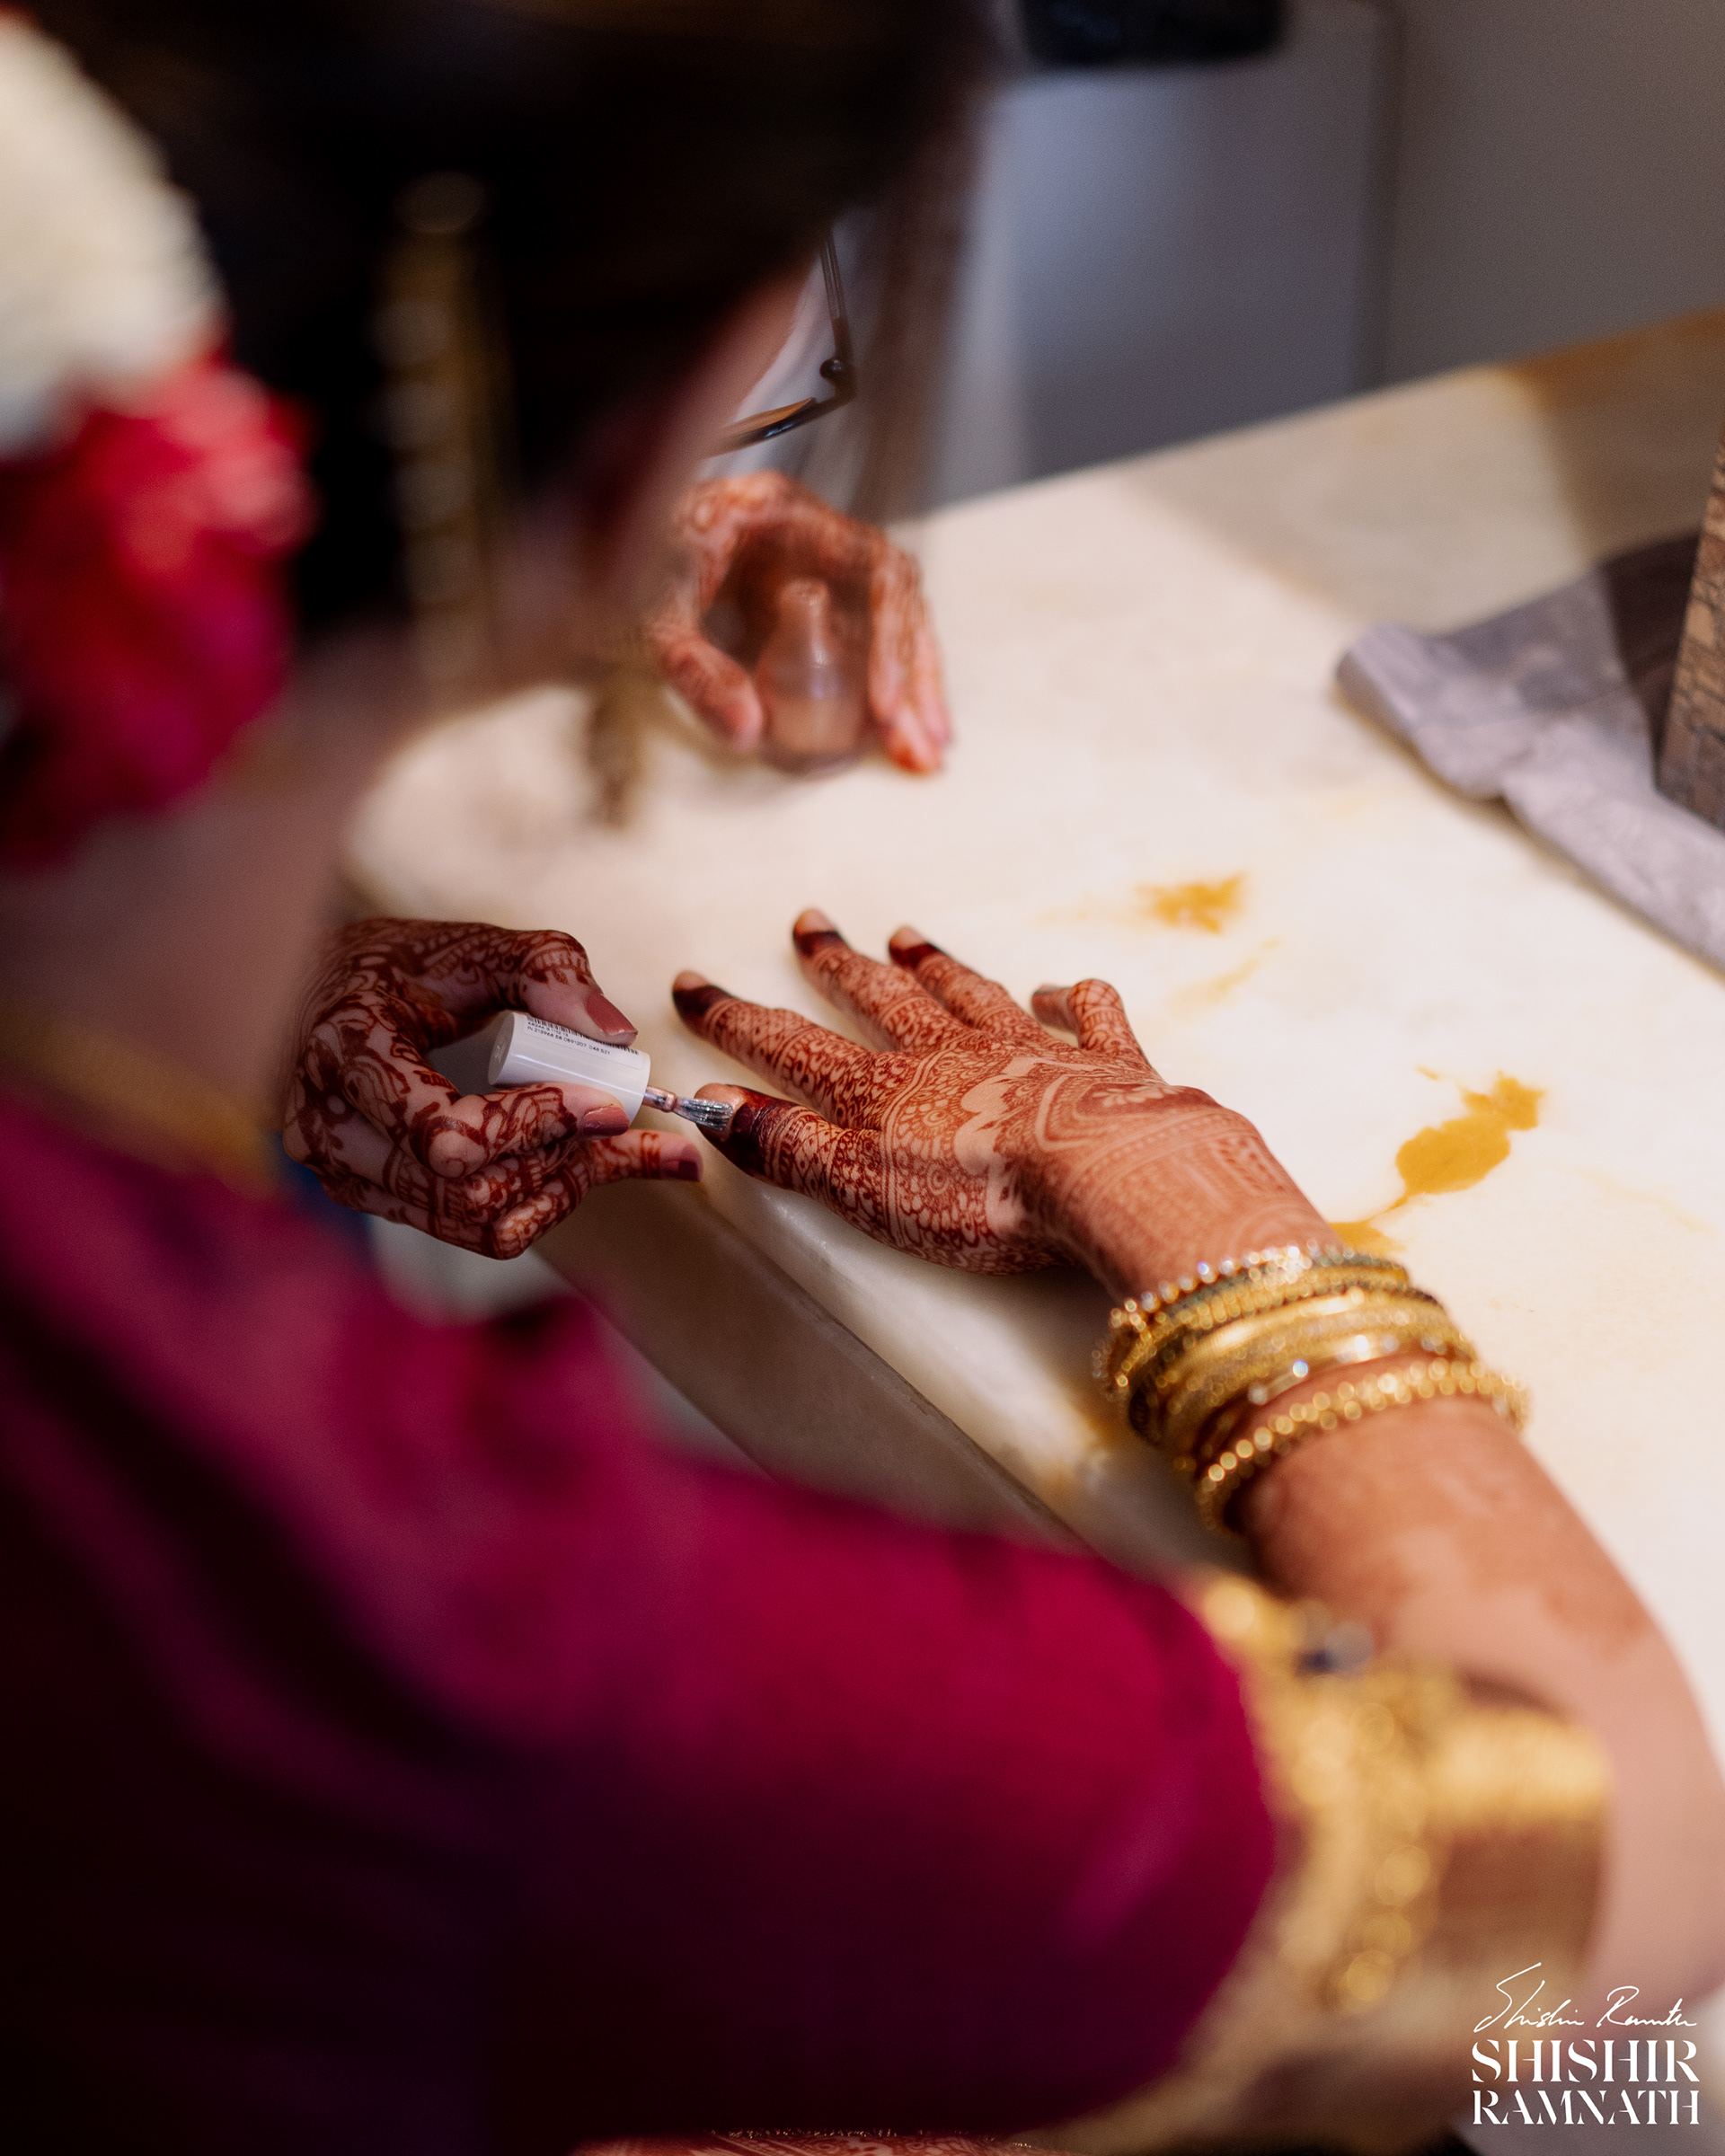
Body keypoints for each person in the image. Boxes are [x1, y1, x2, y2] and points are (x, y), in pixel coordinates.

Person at [0, 6, 1721, 2154]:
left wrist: (272, 1018)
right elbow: (1604, 1933)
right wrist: (1181, 1187)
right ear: (611, 454)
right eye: (788, 373)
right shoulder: (397, 1618)